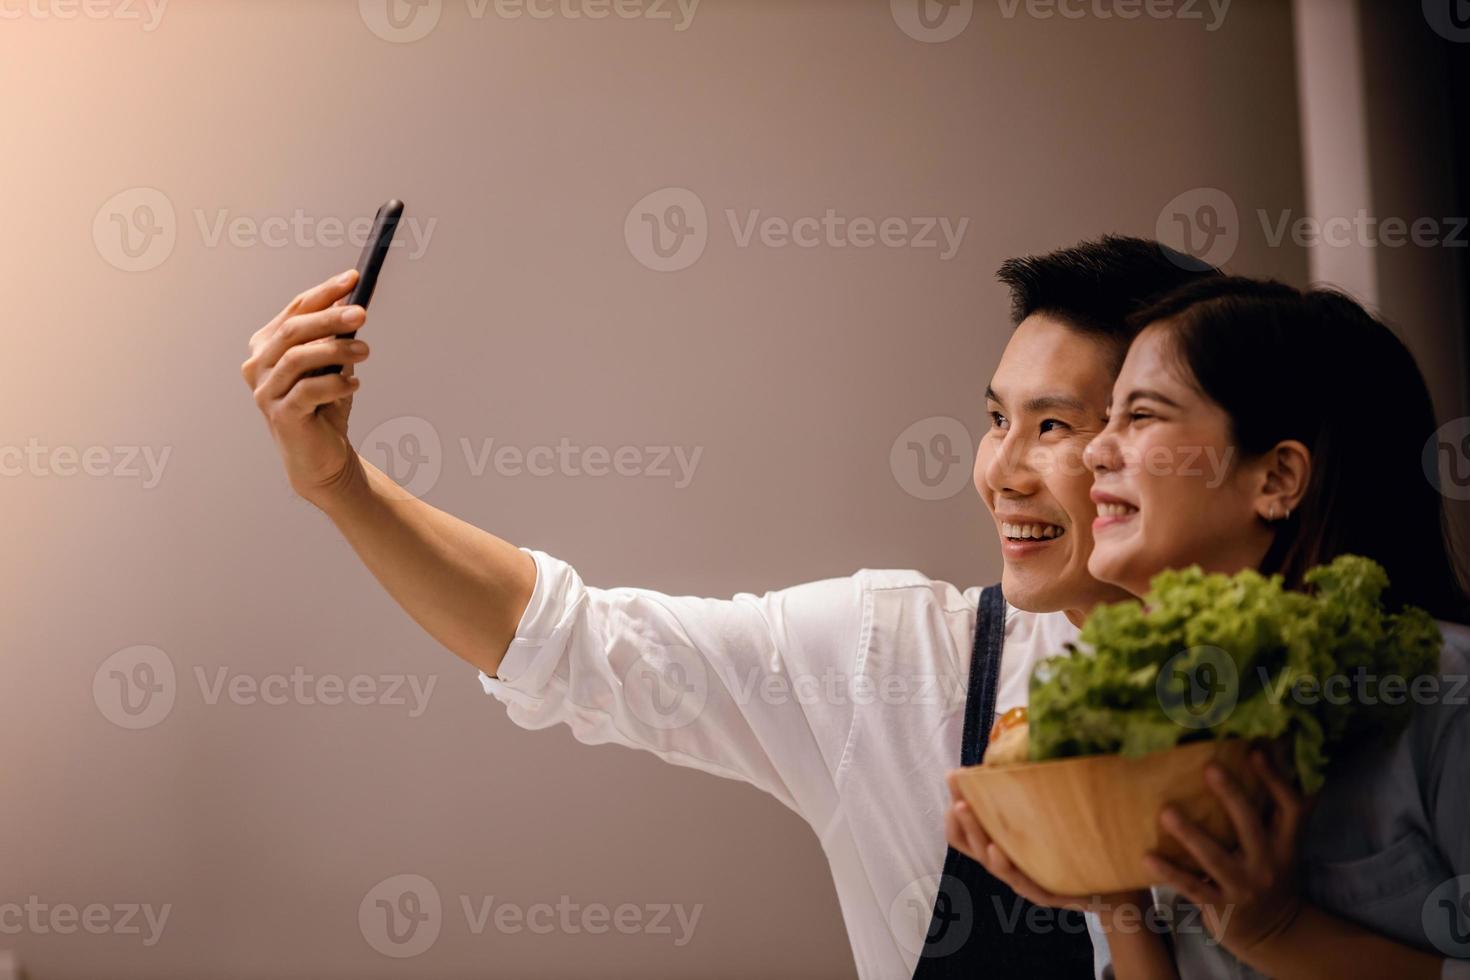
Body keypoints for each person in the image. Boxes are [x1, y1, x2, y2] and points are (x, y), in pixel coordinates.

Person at [240, 236, 1217, 978]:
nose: (1001, 470)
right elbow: (570, 641)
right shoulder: (897, 661)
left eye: (1056, 425)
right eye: (998, 419)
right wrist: (343, 487)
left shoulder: (1309, 690)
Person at [943, 276, 1470, 979]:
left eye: (1142, 416)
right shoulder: (1161, 719)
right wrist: (1116, 899)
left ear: (1277, 477)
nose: (1099, 450)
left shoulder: (1447, 699)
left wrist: (1276, 929)